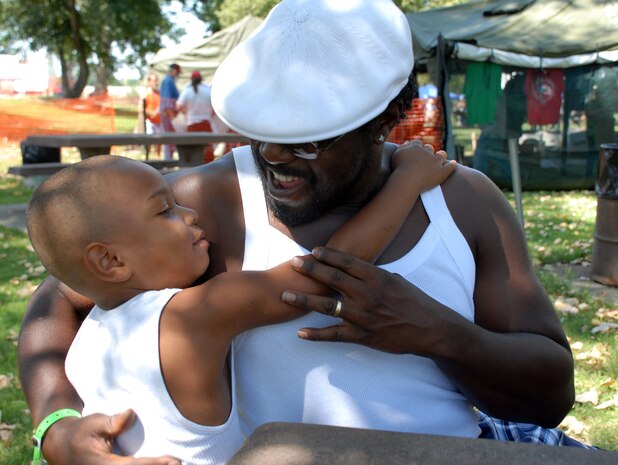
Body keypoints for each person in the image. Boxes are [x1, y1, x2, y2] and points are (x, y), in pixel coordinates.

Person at [18, 1, 583, 464]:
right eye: (263, 130)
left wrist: (437, 333)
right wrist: (57, 423)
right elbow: (60, 295)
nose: (275, 157)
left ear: (387, 118)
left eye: (308, 139)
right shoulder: (210, 205)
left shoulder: (462, 201)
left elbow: (550, 396)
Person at [25, 146, 454, 464]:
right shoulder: (189, 318)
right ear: (111, 261)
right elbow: (328, 270)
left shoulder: (86, 343)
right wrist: (408, 182)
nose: (190, 212)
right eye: (165, 211)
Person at [177, 71, 216, 163]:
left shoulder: (187, 91)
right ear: (201, 79)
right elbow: (215, 108)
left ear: (191, 79)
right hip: (206, 123)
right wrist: (210, 115)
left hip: (192, 123)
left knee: (193, 149)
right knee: (207, 149)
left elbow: (178, 106)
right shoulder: (208, 90)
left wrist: (185, 112)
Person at [160, 63, 181, 160]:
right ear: (175, 71)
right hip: (169, 115)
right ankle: (168, 162)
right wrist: (172, 116)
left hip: (170, 114)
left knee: (170, 141)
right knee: (169, 140)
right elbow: (167, 102)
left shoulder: (169, 80)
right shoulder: (168, 81)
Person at [144, 73, 162, 158]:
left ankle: (157, 156)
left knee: (159, 140)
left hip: (158, 120)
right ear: (149, 81)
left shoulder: (158, 93)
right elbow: (142, 108)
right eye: (153, 80)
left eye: (156, 80)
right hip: (149, 121)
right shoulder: (146, 93)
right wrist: (150, 113)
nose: (155, 82)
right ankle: (148, 156)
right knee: (149, 139)